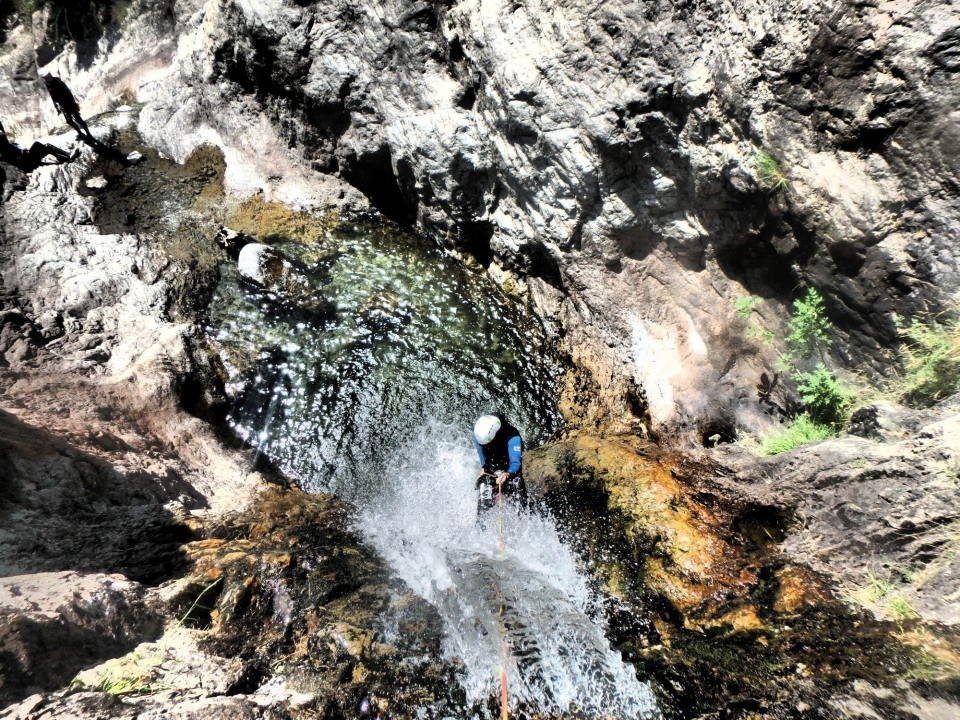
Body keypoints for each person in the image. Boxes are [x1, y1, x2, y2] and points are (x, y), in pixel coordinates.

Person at [473, 412, 528, 515]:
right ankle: (481, 527)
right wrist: (484, 468)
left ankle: (523, 516)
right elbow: (483, 458)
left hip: (509, 470)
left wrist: (507, 474)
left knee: (521, 504)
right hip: (492, 468)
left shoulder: (512, 435)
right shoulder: (480, 434)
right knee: (482, 509)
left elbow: (515, 463)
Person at [0, 120, 78, 171]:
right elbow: (15, 158)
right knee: (42, 145)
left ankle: (61, 157)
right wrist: (23, 152)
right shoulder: (6, 149)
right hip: (26, 161)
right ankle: (67, 155)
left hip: (26, 158)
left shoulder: (7, 147)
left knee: (44, 147)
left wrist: (22, 149)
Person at [38, 68, 91, 138]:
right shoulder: (48, 85)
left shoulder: (57, 81)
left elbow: (67, 91)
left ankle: (88, 134)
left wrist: (73, 103)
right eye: (46, 76)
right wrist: (56, 106)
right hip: (62, 104)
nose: (48, 76)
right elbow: (52, 97)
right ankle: (80, 133)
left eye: (48, 75)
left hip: (68, 102)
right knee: (69, 120)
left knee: (78, 118)